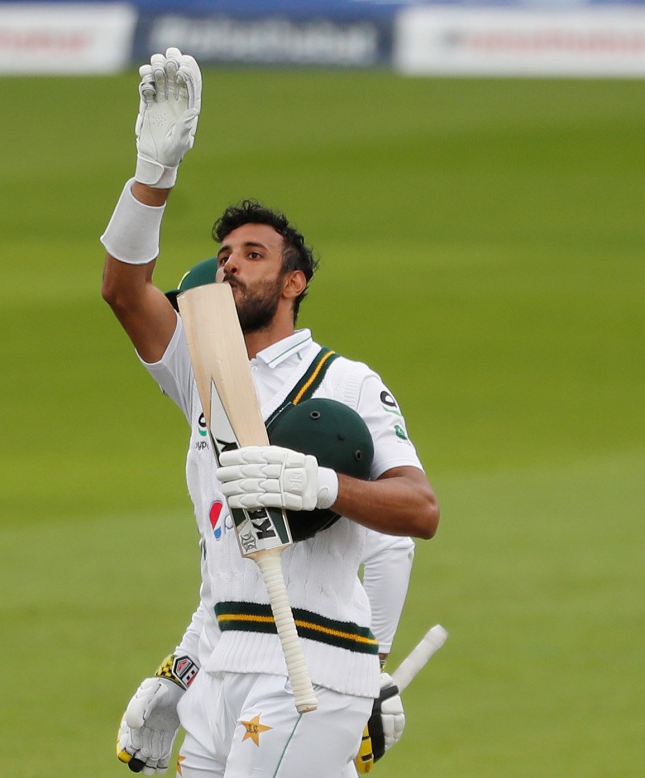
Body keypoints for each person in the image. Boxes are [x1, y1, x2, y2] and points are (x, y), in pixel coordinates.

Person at [100, 48, 438, 777]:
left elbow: (417, 514)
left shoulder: (345, 381)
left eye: (252, 253)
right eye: (223, 253)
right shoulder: (202, 373)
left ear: (295, 281)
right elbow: (124, 291)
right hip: (227, 660)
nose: (230, 264)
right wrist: (153, 176)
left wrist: (325, 489)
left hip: (312, 660)